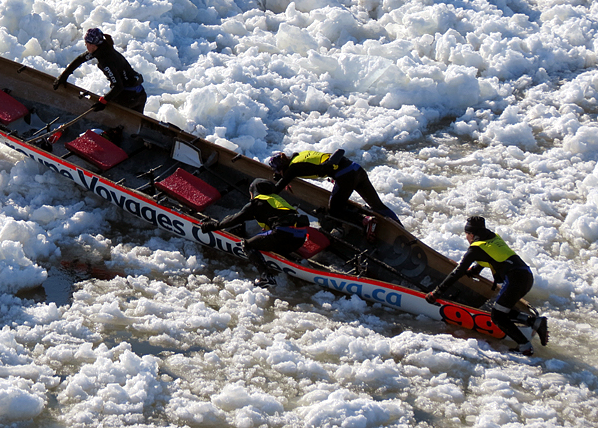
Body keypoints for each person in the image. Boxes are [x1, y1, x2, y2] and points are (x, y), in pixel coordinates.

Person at [425, 216, 549, 356]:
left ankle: (524, 346)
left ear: (471, 234)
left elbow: (457, 272)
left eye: (466, 234)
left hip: (515, 280)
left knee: (497, 315)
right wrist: (476, 269)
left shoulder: (475, 248)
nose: (466, 238)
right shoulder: (492, 237)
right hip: (526, 276)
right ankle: (533, 321)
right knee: (500, 309)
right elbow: (492, 257)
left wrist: (436, 293)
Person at [266, 150, 401, 241]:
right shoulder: (299, 156)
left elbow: (278, 188)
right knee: (377, 205)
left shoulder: (292, 169)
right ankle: (400, 228)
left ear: (281, 168)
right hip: (356, 169)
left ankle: (364, 220)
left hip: (345, 176)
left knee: (335, 209)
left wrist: (263, 195)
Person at [200, 178, 309, 288]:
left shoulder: (256, 203)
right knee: (270, 237)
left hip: (282, 235)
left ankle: (266, 277)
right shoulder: (277, 199)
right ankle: (292, 258)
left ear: (254, 191)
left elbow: (234, 219)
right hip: (300, 238)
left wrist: (213, 226)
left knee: (247, 244)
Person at [52, 28, 147, 113]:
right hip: (140, 93)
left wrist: (103, 101)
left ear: (93, 45)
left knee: (107, 114)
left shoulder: (106, 61)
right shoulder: (103, 48)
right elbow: (81, 58)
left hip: (130, 96)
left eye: (87, 43)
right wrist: (64, 75)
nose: (85, 45)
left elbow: (118, 86)